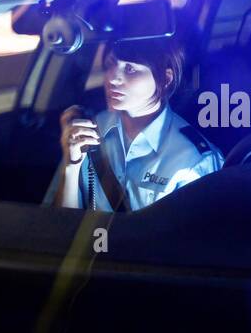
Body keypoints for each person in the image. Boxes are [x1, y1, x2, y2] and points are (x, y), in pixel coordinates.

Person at [55, 37, 221, 211]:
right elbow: (63, 226)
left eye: (130, 68)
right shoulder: (92, 129)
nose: (113, 77)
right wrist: (71, 167)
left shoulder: (193, 159)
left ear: (165, 78)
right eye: (110, 64)